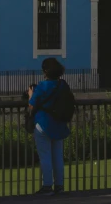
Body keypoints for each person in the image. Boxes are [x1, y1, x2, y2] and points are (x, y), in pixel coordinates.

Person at [28, 58, 72, 195]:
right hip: (59, 124)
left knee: (45, 156)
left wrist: (31, 95)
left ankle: (47, 186)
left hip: (43, 124)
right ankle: (59, 186)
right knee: (58, 157)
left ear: (45, 71)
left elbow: (31, 107)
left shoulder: (42, 86)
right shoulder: (63, 85)